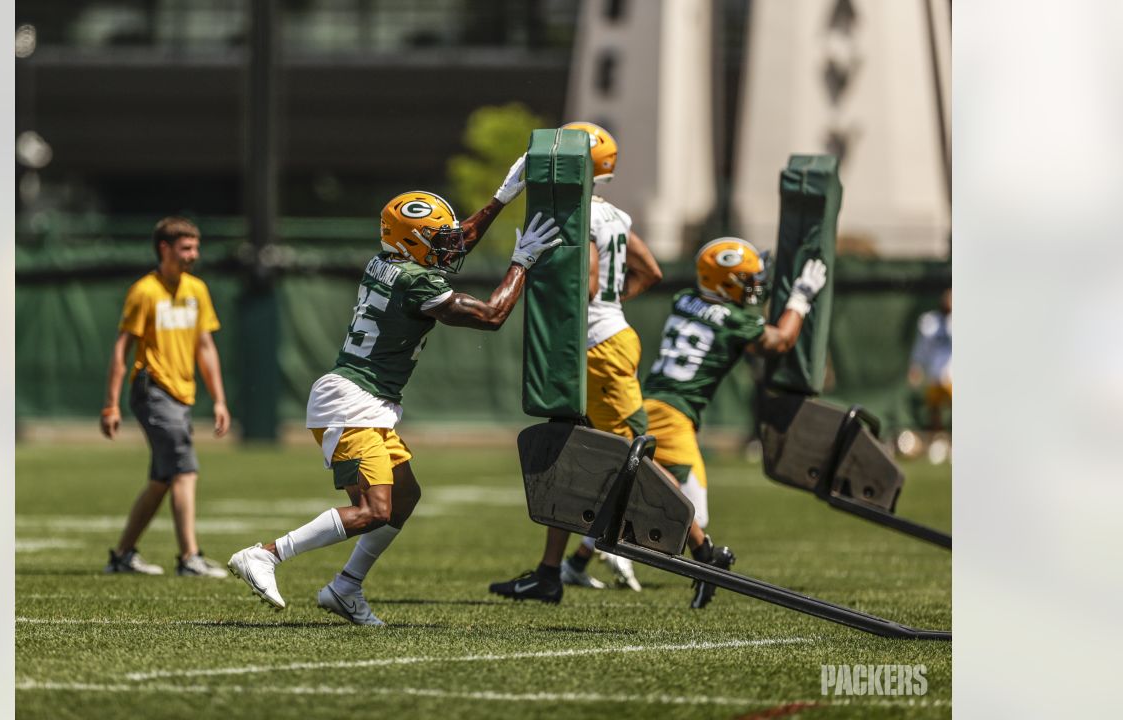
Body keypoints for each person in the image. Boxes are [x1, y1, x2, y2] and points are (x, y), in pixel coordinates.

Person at [228, 162, 563, 626]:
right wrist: (521, 263)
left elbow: (453, 239)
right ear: (413, 243)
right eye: (437, 239)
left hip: (365, 399)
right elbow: (491, 315)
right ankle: (264, 555)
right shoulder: (416, 281)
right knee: (373, 510)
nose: (451, 246)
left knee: (404, 498)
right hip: (351, 400)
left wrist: (503, 197)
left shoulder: (389, 261)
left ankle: (345, 588)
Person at [494, 237, 827, 609]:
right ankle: (701, 557)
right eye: (746, 280)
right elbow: (779, 341)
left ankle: (574, 562)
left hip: (650, 399)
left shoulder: (684, 300)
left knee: (625, 480)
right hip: (674, 415)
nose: (754, 287)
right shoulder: (738, 320)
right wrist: (800, 298)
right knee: (684, 510)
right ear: (723, 282)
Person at [489, 121, 662, 602]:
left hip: (593, 347)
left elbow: (584, 287)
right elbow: (651, 271)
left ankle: (701, 547)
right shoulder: (618, 216)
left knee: (633, 455)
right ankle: (550, 572)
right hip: (613, 336)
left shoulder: (581, 214)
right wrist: (617, 300)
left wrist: (542, 269)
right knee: (570, 455)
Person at [100, 216, 232, 578]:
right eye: (186, 248)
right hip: (152, 390)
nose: (194, 255)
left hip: (182, 395)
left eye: (195, 248)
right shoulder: (145, 291)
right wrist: (111, 404)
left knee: (162, 480)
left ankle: (122, 555)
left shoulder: (197, 290)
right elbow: (121, 350)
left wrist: (219, 399)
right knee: (185, 471)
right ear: (165, 249)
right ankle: (190, 558)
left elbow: (205, 347)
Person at [907, 288, 952, 463]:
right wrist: (916, 367)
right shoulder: (930, 323)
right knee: (935, 411)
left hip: (952, 374)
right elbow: (922, 348)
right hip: (935, 374)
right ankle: (938, 442)